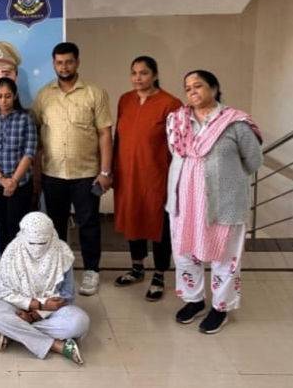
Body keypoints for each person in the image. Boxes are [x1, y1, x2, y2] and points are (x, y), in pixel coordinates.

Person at [167, 70, 262, 334]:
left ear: (215, 88)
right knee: (185, 253)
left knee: (224, 257)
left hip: (225, 203)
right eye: (188, 88)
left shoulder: (236, 123)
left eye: (198, 86)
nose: (192, 91)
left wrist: (223, 175)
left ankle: (221, 307)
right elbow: (176, 154)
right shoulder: (177, 120)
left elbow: (254, 161)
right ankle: (194, 300)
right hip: (185, 202)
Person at [31, 42, 113, 296]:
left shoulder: (95, 93)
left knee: (89, 223)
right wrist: (35, 174)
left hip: (86, 173)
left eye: (68, 62)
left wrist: (105, 172)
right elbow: (35, 133)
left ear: (77, 62)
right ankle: (59, 270)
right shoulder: (44, 95)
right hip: (53, 173)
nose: (64, 67)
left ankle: (91, 270)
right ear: (53, 64)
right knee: (55, 225)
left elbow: (105, 134)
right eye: (59, 62)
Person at [112, 56, 182, 301]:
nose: (137, 78)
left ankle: (160, 274)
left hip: (157, 175)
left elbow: (178, 145)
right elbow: (118, 138)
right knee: (133, 218)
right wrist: (111, 169)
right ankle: (137, 268)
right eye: (134, 73)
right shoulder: (125, 100)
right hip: (127, 174)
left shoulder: (170, 103)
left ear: (155, 75)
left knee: (159, 223)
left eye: (143, 73)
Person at [0, 212, 89, 365]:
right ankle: (56, 345)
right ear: (23, 236)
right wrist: (36, 304)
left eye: (42, 243)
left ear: (51, 236)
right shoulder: (12, 251)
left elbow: (66, 295)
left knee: (80, 322)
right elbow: (2, 291)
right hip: (15, 305)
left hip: (50, 310)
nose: (37, 248)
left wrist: (35, 315)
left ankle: (13, 332)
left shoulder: (62, 253)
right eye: (32, 243)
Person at [0, 77, 37, 254]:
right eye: (0, 96)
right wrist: (3, 179)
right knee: (2, 225)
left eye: (8, 96)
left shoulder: (26, 118)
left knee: (17, 226)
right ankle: (6, 265)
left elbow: (29, 152)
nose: (3, 100)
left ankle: (21, 264)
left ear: (15, 96)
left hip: (21, 184)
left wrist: (13, 181)